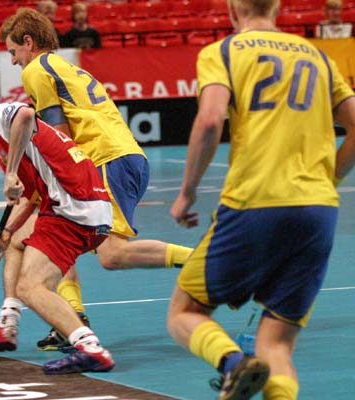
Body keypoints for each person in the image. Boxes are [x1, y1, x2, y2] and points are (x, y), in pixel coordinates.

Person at [0, 7, 194, 353]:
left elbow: (59, 134)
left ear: (28, 42)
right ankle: (73, 319)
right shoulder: (63, 66)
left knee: (112, 254)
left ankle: (206, 260)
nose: (14, 60)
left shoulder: (36, 70)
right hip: (118, 157)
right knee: (54, 236)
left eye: (14, 51)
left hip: (105, 160)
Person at [168, 0, 355, 399]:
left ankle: (234, 363)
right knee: (277, 344)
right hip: (318, 209)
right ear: (278, 8)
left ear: (232, 10)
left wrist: (187, 193)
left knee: (185, 311)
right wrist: (330, 178)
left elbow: (210, 119)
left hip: (254, 201)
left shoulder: (223, 52)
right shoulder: (318, 57)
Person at [0, 80, 115, 374]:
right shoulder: (0, 142)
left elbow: (26, 114)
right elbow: (31, 196)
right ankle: (8, 324)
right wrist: (6, 231)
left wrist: (9, 173)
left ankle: (91, 349)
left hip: (72, 209)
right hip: (83, 210)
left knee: (30, 287)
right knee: (18, 249)